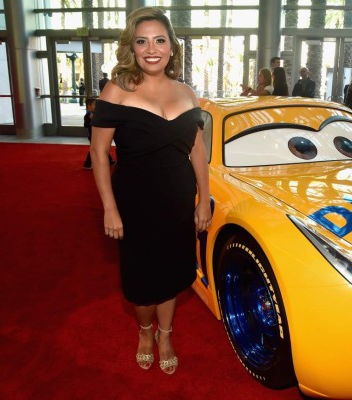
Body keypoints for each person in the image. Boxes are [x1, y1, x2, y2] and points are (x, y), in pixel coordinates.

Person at [90, 6, 212, 375]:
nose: (151, 48)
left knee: (172, 276)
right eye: (142, 41)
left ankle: (166, 335)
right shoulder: (117, 90)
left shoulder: (187, 93)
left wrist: (202, 199)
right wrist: (109, 208)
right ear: (132, 47)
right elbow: (98, 152)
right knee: (142, 283)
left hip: (177, 201)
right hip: (135, 204)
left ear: (172, 47)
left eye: (160, 40)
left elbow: (197, 149)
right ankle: (145, 331)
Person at [83, 98, 115, 169]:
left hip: (97, 134)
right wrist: (91, 120)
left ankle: (109, 161)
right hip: (92, 135)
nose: (96, 106)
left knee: (101, 147)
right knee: (94, 148)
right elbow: (85, 125)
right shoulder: (88, 115)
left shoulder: (95, 113)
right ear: (89, 106)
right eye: (94, 104)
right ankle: (87, 164)